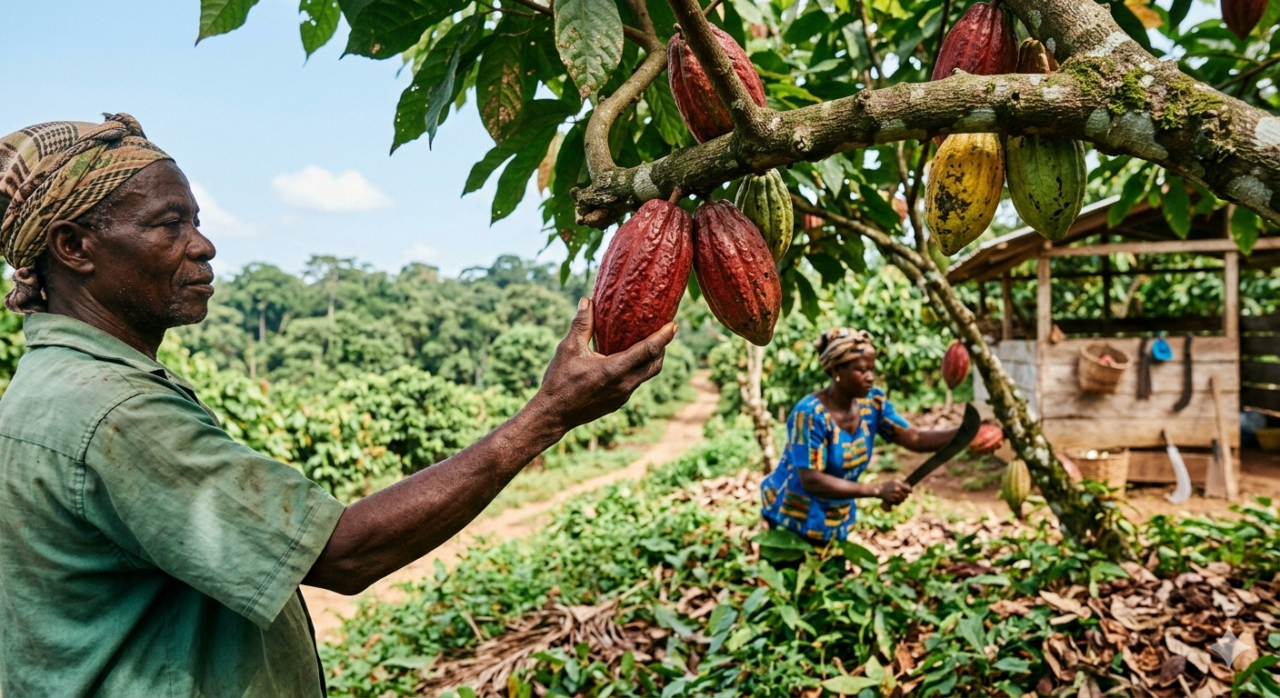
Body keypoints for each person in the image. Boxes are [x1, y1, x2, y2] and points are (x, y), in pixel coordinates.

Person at [0, 115, 675, 697]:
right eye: (168, 224)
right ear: (74, 247)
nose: (203, 244)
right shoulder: (109, 411)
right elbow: (342, 555)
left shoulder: (59, 387)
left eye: (197, 222)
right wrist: (547, 417)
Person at [760, 327, 999, 544]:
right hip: (789, 521)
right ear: (835, 370)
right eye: (861, 370)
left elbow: (913, 438)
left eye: (872, 369)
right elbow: (811, 479)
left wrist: (966, 431)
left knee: (831, 585)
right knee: (788, 587)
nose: (870, 377)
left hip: (835, 522)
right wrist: (876, 490)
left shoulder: (872, 403)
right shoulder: (810, 414)